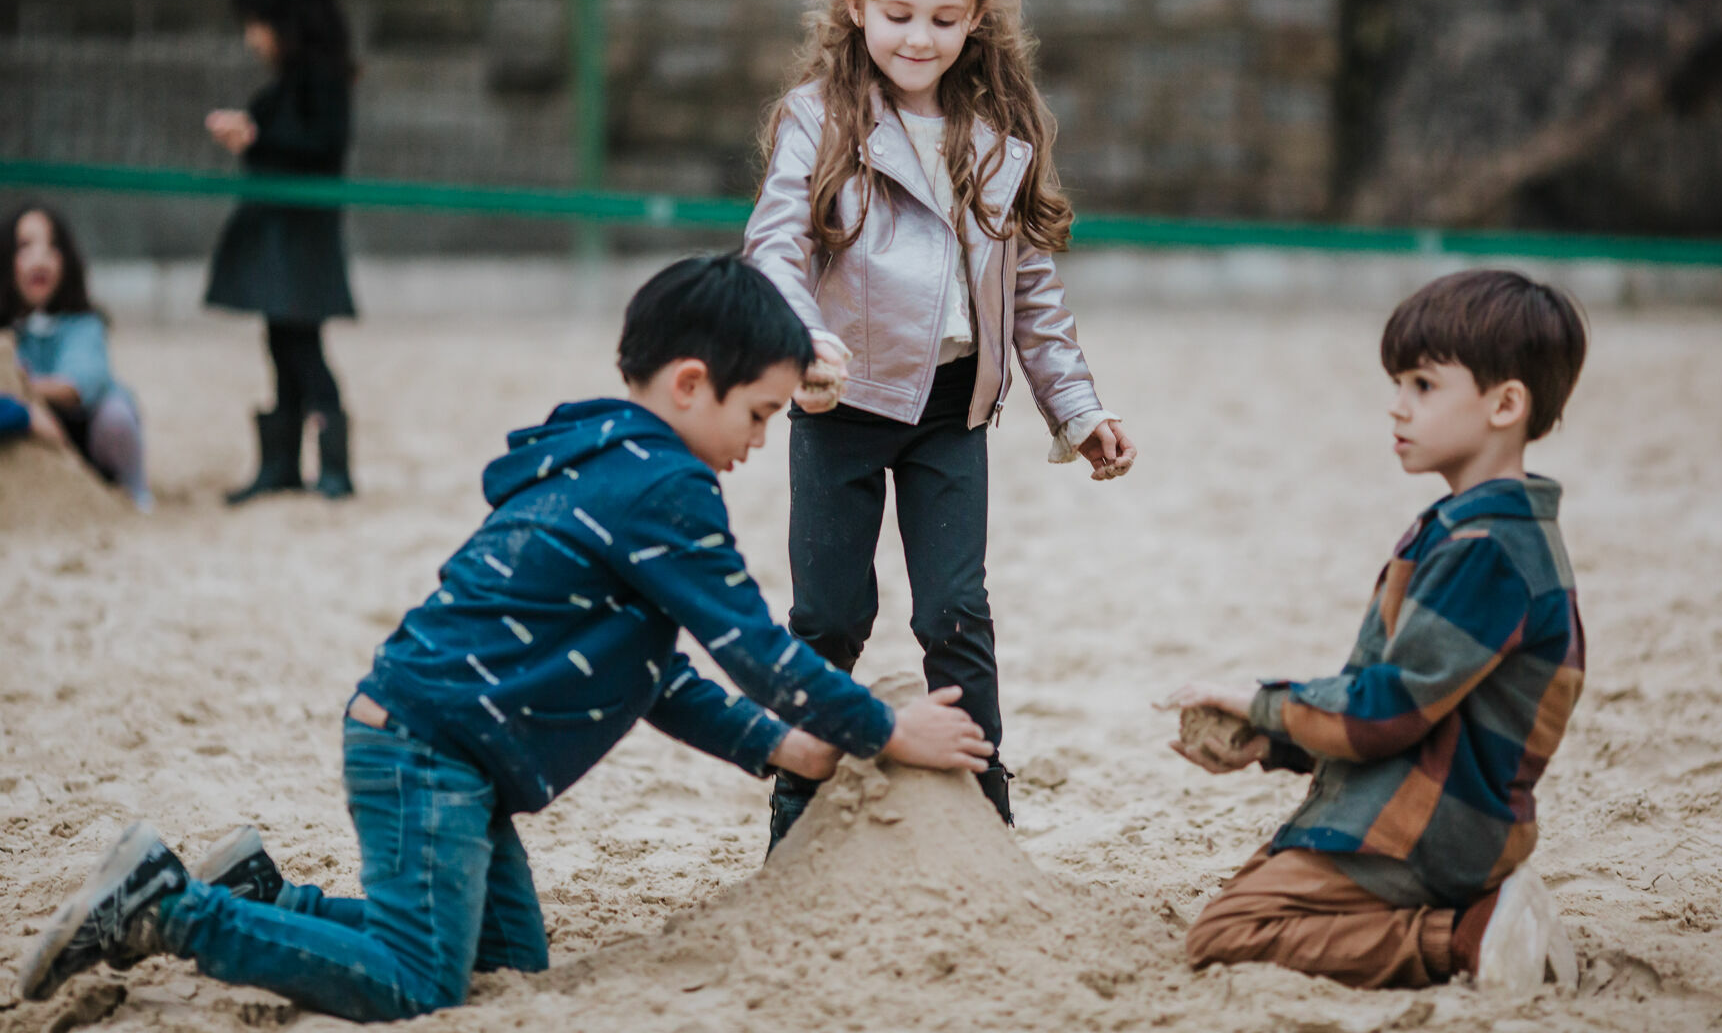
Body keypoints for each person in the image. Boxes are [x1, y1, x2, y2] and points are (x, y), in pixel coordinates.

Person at [18, 254, 992, 1022]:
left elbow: (650, 676)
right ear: (693, 383)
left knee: (506, 963)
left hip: (452, 756)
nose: (761, 438)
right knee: (414, 984)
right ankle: (168, 908)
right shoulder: (665, 488)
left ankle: (265, 900)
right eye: (761, 412)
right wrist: (884, 730)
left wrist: (777, 746)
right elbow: (752, 647)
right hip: (426, 750)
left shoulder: (603, 459)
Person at [743, 0, 1138, 844]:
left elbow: (1034, 297)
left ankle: (982, 802)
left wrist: (1078, 412)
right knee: (831, 613)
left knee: (956, 613)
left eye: (944, 18)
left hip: (953, 411)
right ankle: (799, 795)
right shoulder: (817, 116)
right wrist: (803, 340)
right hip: (844, 401)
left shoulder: (1001, 136)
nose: (919, 38)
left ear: (976, 20)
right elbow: (773, 243)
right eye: (900, 14)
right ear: (858, 6)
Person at [1161, 269, 1589, 993]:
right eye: (1397, 385)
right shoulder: (1469, 530)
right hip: (1433, 809)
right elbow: (1409, 708)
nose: (1397, 408)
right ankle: (1476, 913)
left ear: (1505, 403)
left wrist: (1259, 702)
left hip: (1429, 829)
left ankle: (1463, 936)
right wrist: (1274, 742)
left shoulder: (1485, 550)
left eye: (1423, 386)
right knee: (1258, 891)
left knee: (1226, 935)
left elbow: (1389, 708)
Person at [204, 0, 358, 503]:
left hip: (302, 236)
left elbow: (322, 145)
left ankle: (332, 464)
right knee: (282, 341)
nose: (251, 37)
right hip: (281, 233)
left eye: (256, 24)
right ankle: (284, 463)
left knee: (303, 346)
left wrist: (256, 138)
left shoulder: (322, 81)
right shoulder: (287, 85)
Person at [2, 203, 152, 510]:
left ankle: (134, 491)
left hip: (84, 432)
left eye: (52, 247)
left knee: (116, 416)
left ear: (67, 262)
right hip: (25, 436)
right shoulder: (7, 331)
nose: (40, 257)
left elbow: (82, 382)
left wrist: (24, 388)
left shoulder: (82, 324)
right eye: (26, 247)